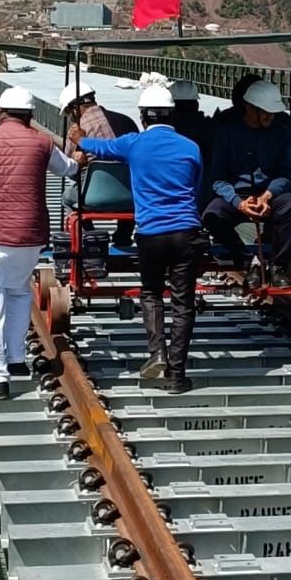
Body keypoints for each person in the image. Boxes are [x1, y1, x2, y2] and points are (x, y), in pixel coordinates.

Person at [0, 86, 78, 399]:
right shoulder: (42, 142)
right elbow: (69, 168)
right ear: (30, 116)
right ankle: (16, 360)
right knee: (19, 292)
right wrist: (80, 155)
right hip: (29, 236)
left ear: (1, 113)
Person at [77, 86, 203, 394]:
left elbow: (100, 148)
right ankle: (177, 376)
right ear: (172, 115)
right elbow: (197, 187)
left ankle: (157, 352)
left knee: (151, 293)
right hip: (187, 232)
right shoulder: (191, 147)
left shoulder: (133, 144)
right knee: (183, 303)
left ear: (143, 116)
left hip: (150, 233)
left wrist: (78, 138)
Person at [203, 80, 291, 287]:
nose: (270, 117)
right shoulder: (227, 132)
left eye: (272, 112)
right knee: (212, 216)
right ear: (249, 108)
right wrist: (238, 202)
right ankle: (246, 260)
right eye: (265, 112)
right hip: (237, 196)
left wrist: (268, 195)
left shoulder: (281, 132)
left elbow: (285, 172)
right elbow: (217, 178)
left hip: (270, 195)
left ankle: (277, 265)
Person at [62, 78, 137, 246]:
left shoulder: (77, 130)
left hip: (93, 196)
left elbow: (70, 169)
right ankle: (123, 237)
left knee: (68, 197)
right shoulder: (126, 121)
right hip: (130, 196)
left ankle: (90, 238)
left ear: (74, 109)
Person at [169, 80, 215, 208]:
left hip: (172, 193)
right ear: (196, 104)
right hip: (204, 193)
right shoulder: (208, 127)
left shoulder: (167, 129)